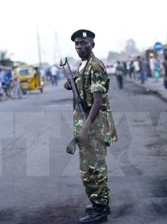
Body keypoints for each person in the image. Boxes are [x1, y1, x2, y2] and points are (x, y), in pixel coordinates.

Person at [64, 29, 117, 223]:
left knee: (93, 169)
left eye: (83, 43)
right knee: (90, 166)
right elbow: (83, 88)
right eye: (77, 44)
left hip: (93, 126)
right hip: (86, 124)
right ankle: (99, 203)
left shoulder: (95, 66)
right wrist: (70, 84)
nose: (79, 47)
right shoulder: (83, 65)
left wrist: (86, 129)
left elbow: (97, 100)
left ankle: (100, 209)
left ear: (92, 45)